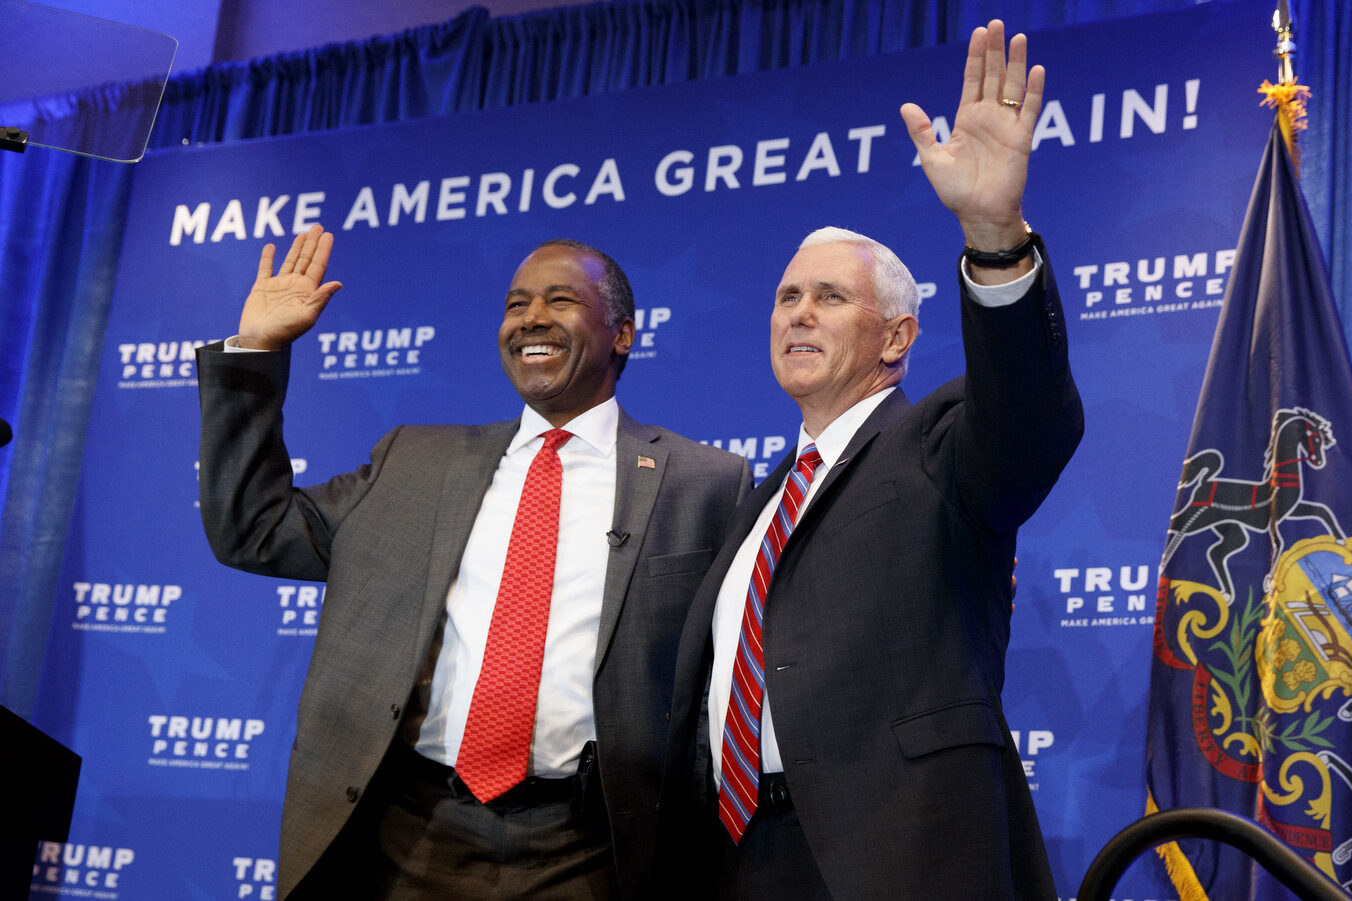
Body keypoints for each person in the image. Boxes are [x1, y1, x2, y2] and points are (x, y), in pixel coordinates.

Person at [658, 20, 1083, 900]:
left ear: (896, 334)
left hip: (898, 857)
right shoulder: (761, 500)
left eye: (829, 296)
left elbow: (1030, 419)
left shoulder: (937, 444)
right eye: (786, 297)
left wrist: (995, 236)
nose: (798, 313)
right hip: (743, 862)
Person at [197, 233, 750, 899]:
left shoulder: (707, 483)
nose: (531, 317)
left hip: (588, 847)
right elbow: (252, 529)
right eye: (516, 303)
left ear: (622, 334)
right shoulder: (415, 462)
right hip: (409, 833)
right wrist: (256, 351)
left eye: (560, 299)